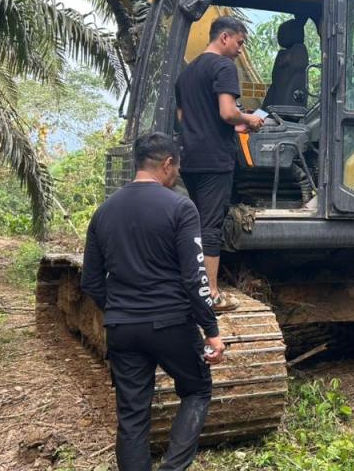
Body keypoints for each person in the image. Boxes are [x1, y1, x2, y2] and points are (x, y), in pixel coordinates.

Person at [81, 133, 224, 471]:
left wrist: (119, 310)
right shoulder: (180, 207)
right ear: (167, 164)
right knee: (197, 391)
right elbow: (196, 278)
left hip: (122, 329)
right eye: (176, 169)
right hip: (172, 324)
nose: (176, 177)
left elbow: (90, 281)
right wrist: (212, 331)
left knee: (132, 415)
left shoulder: (103, 212)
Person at [175, 16, 264, 311]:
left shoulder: (186, 74)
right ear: (224, 37)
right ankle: (210, 294)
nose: (240, 50)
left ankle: (189, 284)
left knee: (196, 223)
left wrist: (231, 127)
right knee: (211, 226)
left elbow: (184, 118)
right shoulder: (224, 67)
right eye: (240, 43)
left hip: (190, 159)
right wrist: (248, 119)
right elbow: (227, 112)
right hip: (215, 160)